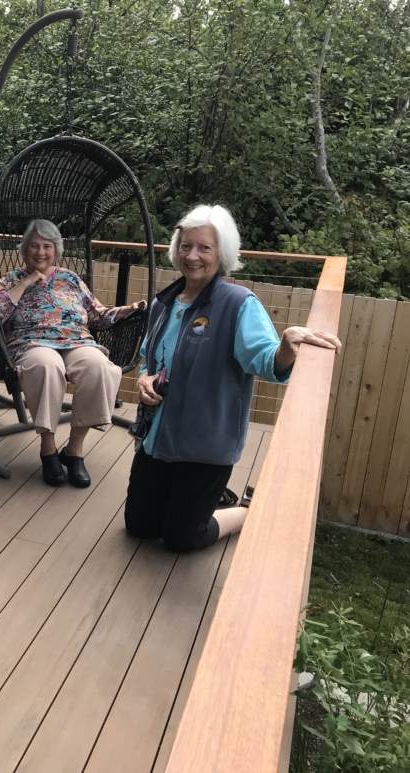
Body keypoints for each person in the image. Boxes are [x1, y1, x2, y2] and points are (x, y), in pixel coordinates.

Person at [124, 204, 342, 552]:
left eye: (204, 248)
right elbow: (150, 358)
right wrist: (145, 379)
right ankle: (201, 500)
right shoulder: (164, 302)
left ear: (221, 254)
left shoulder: (238, 304)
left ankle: (247, 509)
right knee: (139, 526)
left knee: (181, 538)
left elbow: (267, 362)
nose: (192, 255)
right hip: (156, 437)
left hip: (204, 445)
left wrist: (286, 343)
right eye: (185, 245)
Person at [0, 219, 145, 488]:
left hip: (76, 341)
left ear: (56, 250)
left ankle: (74, 450)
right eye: (35, 246)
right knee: (46, 367)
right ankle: (48, 448)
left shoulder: (70, 278)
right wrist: (26, 283)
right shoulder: (11, 279)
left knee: (101, 367)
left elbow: (98, 316)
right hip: (32, 343)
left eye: (47, 246)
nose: (41, 252)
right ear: (25, 249)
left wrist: (127, 309)